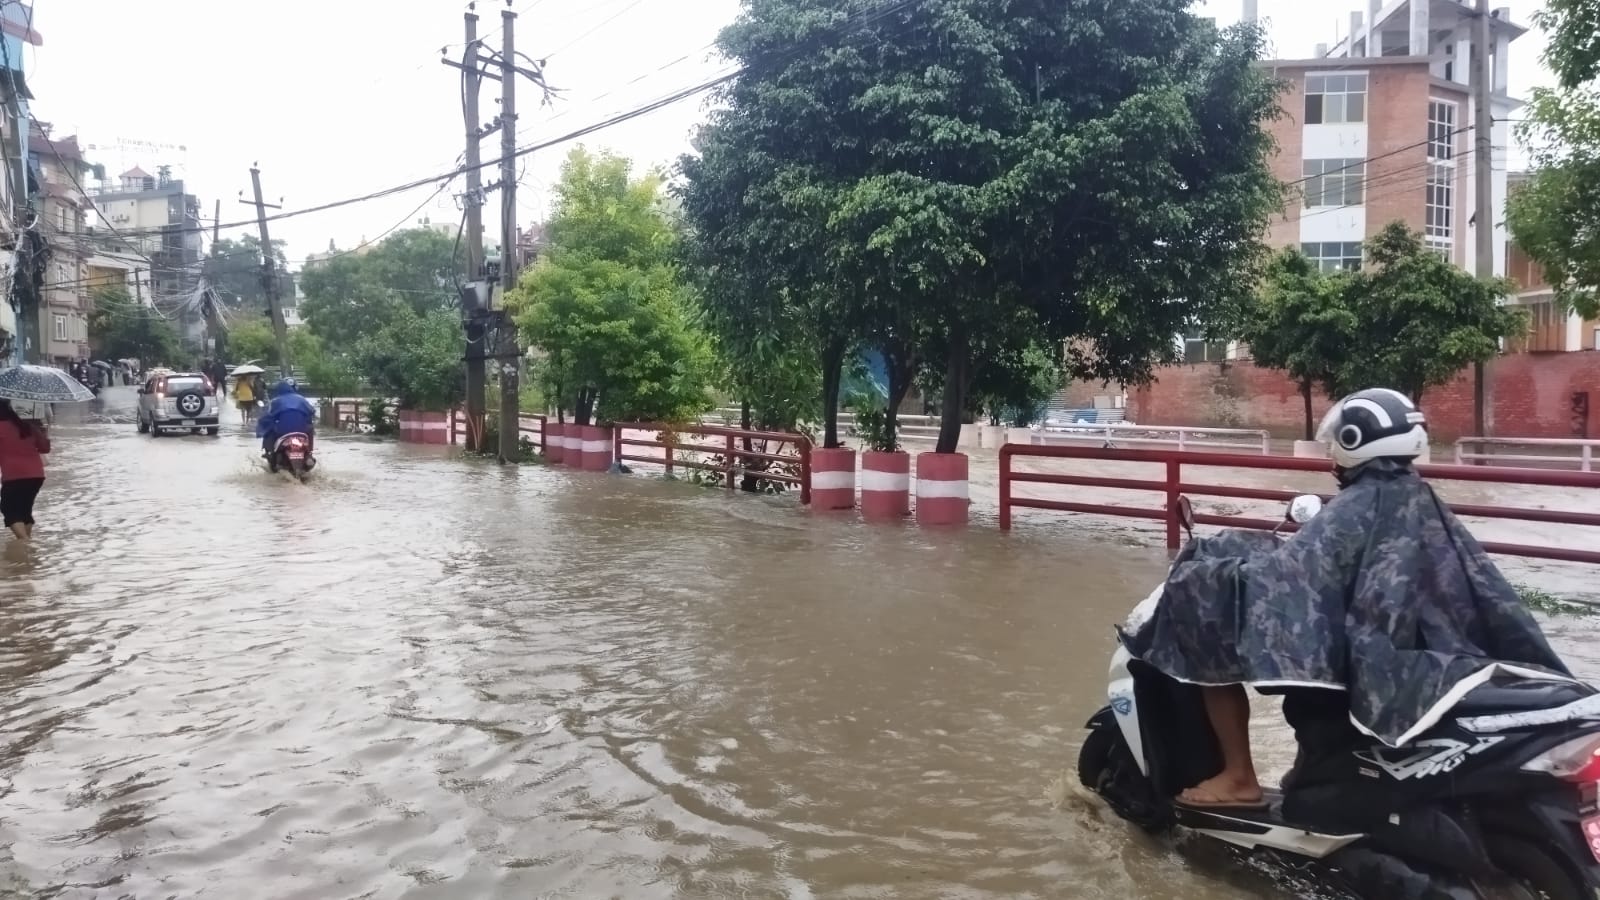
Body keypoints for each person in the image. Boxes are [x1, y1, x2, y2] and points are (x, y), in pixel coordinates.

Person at [1124, 387, 1570, 810]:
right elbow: (1330, 564)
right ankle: (1311, 771)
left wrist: (1214, 577)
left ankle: (1239, 776)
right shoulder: (1414, 495)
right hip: (1422, 646)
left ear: (1354, 442)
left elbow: (1294, 576)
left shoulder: (1360, 502)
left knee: (1207, 619)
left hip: (1376, 650)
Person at [0, 399, 51, 541]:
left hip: (14, 475)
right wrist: (43, 431)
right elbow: (45, 449)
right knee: (24, 511)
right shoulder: (26, 425)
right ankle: (27, 544)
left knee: (9, 510)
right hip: (36, 475)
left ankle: (25, 542)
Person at [256, 378, 316, 460]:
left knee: (270, 430)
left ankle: (269, 452)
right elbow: (312, 411)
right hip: (302, 429)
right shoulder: (302, 399)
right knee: (311, 428)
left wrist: (261, 427)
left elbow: (268, 416)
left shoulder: (276, 401)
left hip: (282, 430)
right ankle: (309, 452)